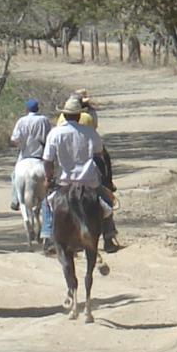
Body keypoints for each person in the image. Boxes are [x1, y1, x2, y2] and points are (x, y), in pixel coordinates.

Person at [42, 94, 120, 252]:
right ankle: (108, 236)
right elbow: (99, 154)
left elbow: (48, 160)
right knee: (106, 202)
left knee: (47, 203)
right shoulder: (90, 132)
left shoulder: (55, 134)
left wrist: (48, 178)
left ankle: (49, 236)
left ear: (64, 115)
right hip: (89, 181)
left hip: (65, 182)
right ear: (79, 115)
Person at [8, 99, 51, 210]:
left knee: (14, 175)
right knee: (51, 176)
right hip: (42, 156)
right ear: (37, 109)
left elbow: (15, 139)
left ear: (27, 109)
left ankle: (15, 200)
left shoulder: (21, 121)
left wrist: (16, 144)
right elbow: (49, 138)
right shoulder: (44, 120)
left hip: (25, 156)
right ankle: (50, 199)